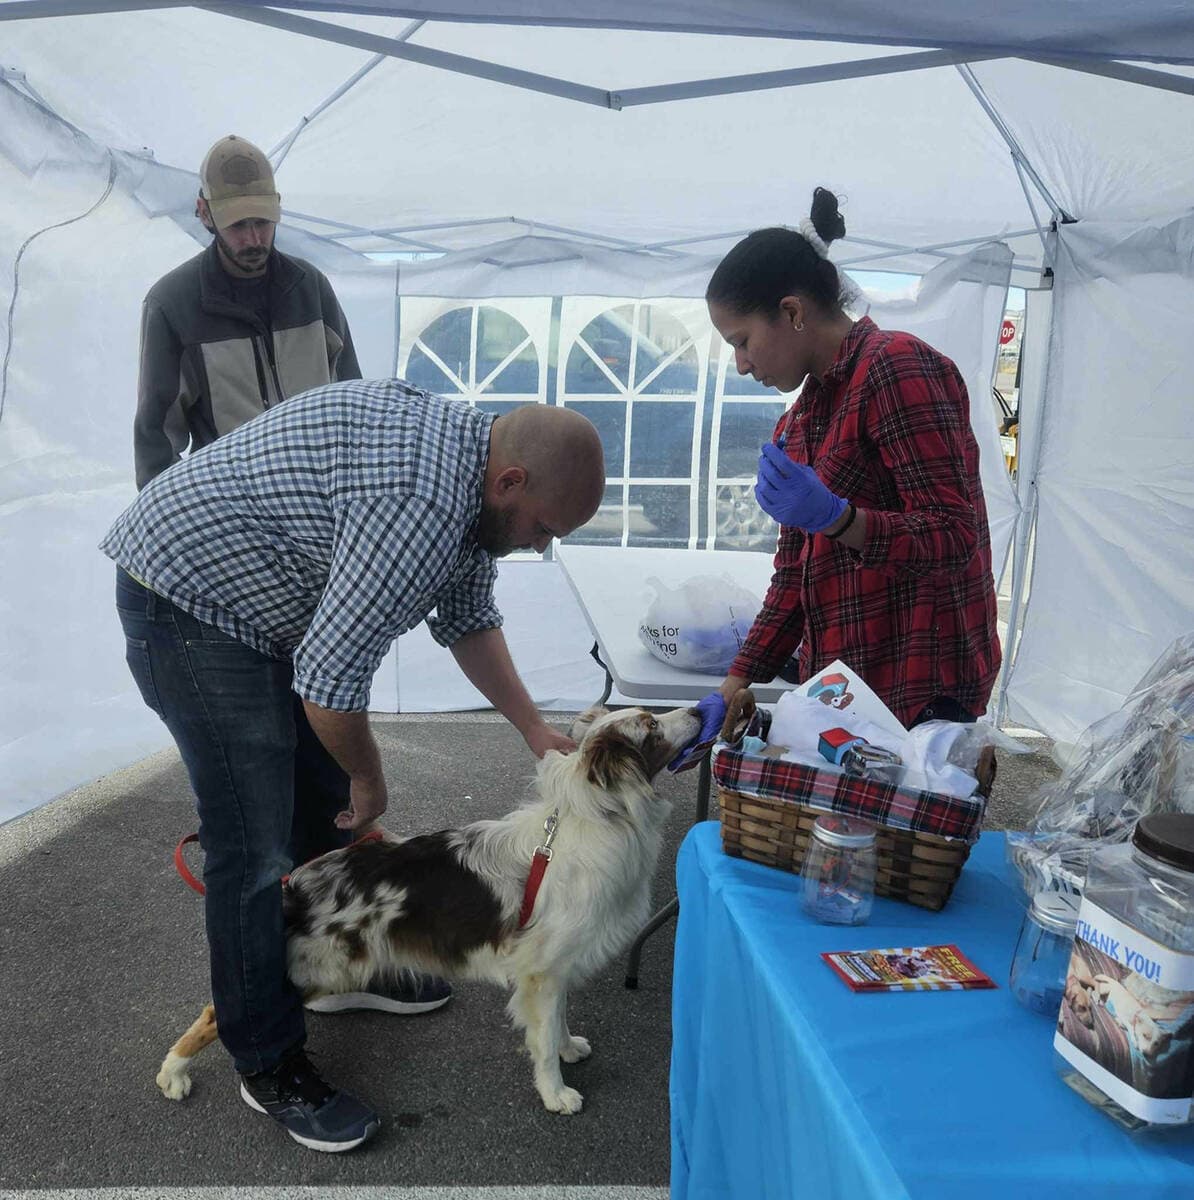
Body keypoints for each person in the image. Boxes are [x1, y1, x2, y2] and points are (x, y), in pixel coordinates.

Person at [102, 384, 605, 1151]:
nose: (541, 546)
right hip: (186, 606)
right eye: (544, 529)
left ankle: (341, 960)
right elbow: (332, 680)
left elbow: (467, 618)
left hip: (259, 608)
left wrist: (533, 726)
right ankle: (266, 1059)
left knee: (315, 800)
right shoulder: (420, 504)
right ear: (510, 483)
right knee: (252, 847)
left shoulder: (474, 484)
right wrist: (368, 782)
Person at [705, 187, 1001, 731]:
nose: (742, 365)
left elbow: (954, 537)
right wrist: (735, 681)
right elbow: (794, 573)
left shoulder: (896, 368)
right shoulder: (798, 422)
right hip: (842, 689)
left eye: (742, 341)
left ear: (791, 312)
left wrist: (840, 520)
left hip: (920, 689)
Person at [133, 134, 360, 490]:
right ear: (205, 213)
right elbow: (156, 446)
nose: (254, 240)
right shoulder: (172, 304)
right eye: (238, 225)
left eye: (263, 221)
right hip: (232, 517)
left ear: (278, 208)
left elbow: (355, 408)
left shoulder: (312, 290)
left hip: (321, 507)